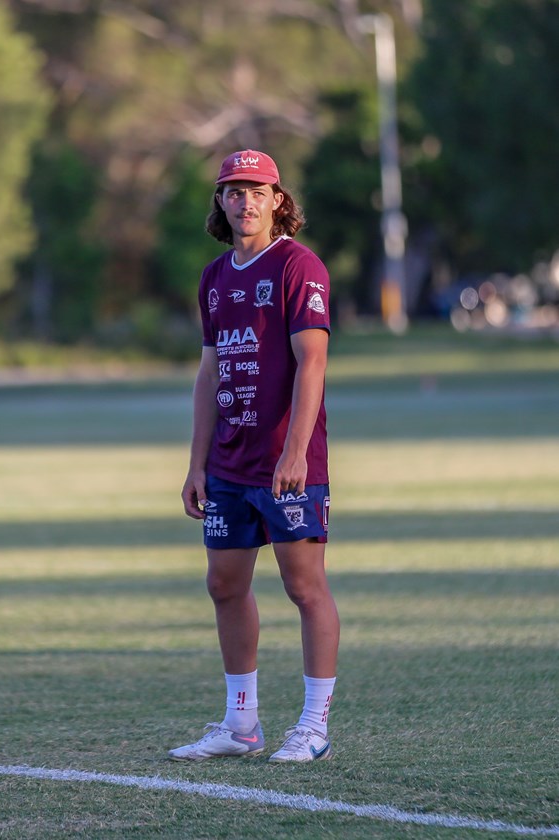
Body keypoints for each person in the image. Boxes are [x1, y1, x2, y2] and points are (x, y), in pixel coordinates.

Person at [168, 149, 340, 763]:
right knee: (224, 584)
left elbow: (312, 361)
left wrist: (295, 450)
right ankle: (241, 725)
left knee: (304, 587)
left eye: (256, 191)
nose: (245, 201)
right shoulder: (215, 277)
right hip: (229, 464)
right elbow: (211, 370)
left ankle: (313, 725)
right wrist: (196, 464)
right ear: (220, 201)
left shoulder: (298, 265)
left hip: (285, 463)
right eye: (233, 191)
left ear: (277, 200)